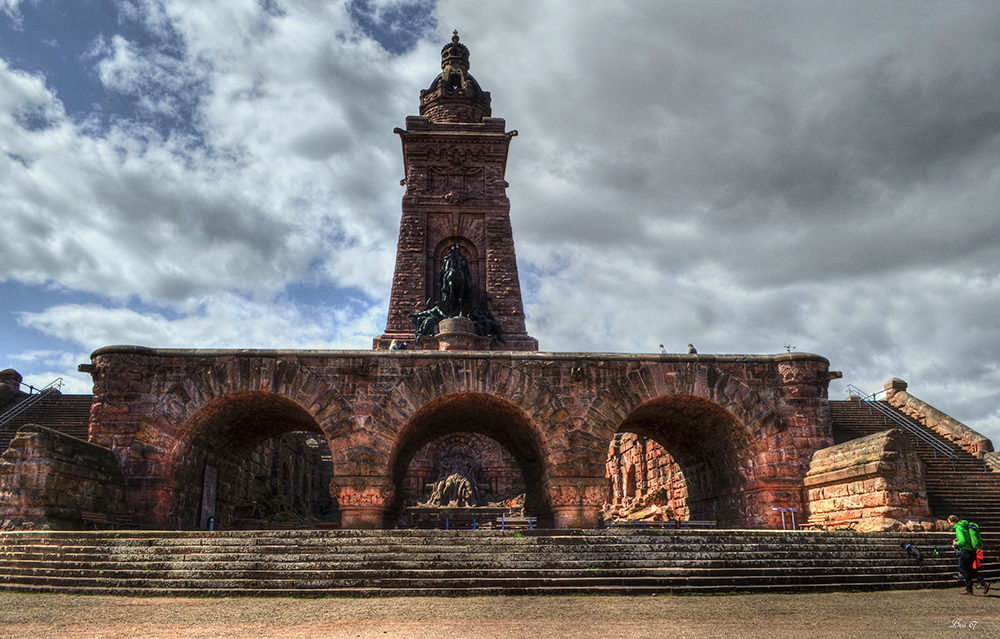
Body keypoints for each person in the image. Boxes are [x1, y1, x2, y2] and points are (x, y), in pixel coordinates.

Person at [949, 514, 990, 595]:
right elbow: (966, 538)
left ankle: (969, 589)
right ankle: (983, 582)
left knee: (963, 569)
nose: (949, 524)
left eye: (949, 522)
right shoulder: (965, 526)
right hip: (972, 550)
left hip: (965, 551)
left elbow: (963, 541)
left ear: (953, 522)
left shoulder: (959, 528)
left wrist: (956, 544)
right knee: (971, 569)